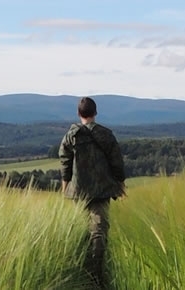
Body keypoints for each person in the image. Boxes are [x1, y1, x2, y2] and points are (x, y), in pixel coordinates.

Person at [58, 97, 126, 288]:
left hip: (78, 192)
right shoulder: (106, 135)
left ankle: (79, 269)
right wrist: (120, 183)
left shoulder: (70, 136)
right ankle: (96, 272)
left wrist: (65, 186)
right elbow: (116, 162)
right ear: (95, 113)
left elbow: (64, 163)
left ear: (79, 114)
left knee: (78, 228)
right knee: (98, 230)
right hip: (101, 191)